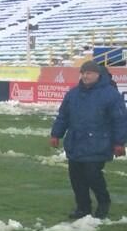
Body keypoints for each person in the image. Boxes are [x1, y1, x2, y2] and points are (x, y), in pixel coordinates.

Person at [49, 60, 126, 219]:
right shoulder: (73, 94)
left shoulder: (111, 95)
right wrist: (56, 134)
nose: (85, 76)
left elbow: (120, 120)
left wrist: (119, 142)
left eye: (89, 73)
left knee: (92, 175)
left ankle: (103, 203)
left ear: (98, 74)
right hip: (76, 142)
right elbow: (63, 116)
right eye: (83, 73)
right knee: (76, 178)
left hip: (99, 143)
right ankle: (83, 208)